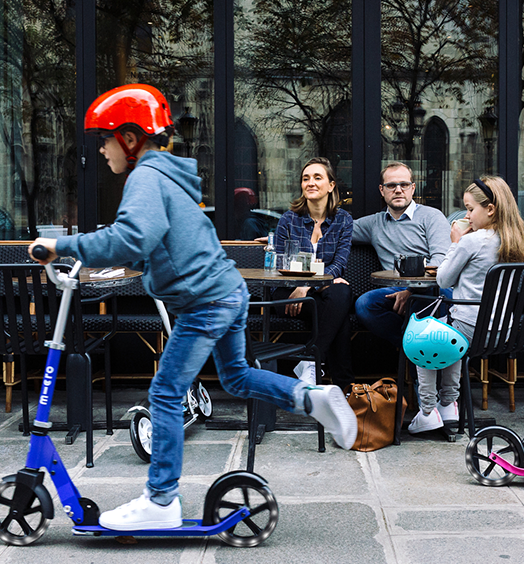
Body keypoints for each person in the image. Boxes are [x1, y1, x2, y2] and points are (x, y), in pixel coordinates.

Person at [27, 84, 357, 531]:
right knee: (236, 377)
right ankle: (310, 396)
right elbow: (154, 242)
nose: (101, 150)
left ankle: (160, 498)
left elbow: (131, 239)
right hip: (226, 292)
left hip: (205, 301)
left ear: (128, 137)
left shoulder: (145, 176)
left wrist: (58, 245)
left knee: (165, 393)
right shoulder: (167, 177)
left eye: (103, 138)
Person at [408, 176, 524, 433]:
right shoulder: (517, 242)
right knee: (447, 334)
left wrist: (455, 242)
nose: (467, 215)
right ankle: (449, 405)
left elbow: (443, 278)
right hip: (506, 331)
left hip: (471, 329)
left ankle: (429, 410)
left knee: (423, 340)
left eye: (470, 209)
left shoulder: (472, 241)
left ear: (490, 209)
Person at [272, 157, 354, 389]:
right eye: (306, 178)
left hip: (312, 293)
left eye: (318, 178)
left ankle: (311, 361)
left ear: (331, 185)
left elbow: (339, 264)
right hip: (287, 293)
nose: (311, 183)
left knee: (340, 294)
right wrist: (303, 284)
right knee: (340, 308)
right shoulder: (289, 219)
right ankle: (344, 388)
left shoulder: (343, 221)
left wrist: (307, 286)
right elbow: (281, 263)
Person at [353, 162, 451, 348]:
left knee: (427, 299)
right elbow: (338, 231)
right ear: (382, 190)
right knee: (365, 304)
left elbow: (441, 261)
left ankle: (418, 368)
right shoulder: (374, 223)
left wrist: (412, 290)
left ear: (412, 188)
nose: (398, 190)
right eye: (391, 185)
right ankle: (411, 346)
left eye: (404, 185)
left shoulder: (432, 216)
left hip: (432, 289)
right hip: (393, 291)